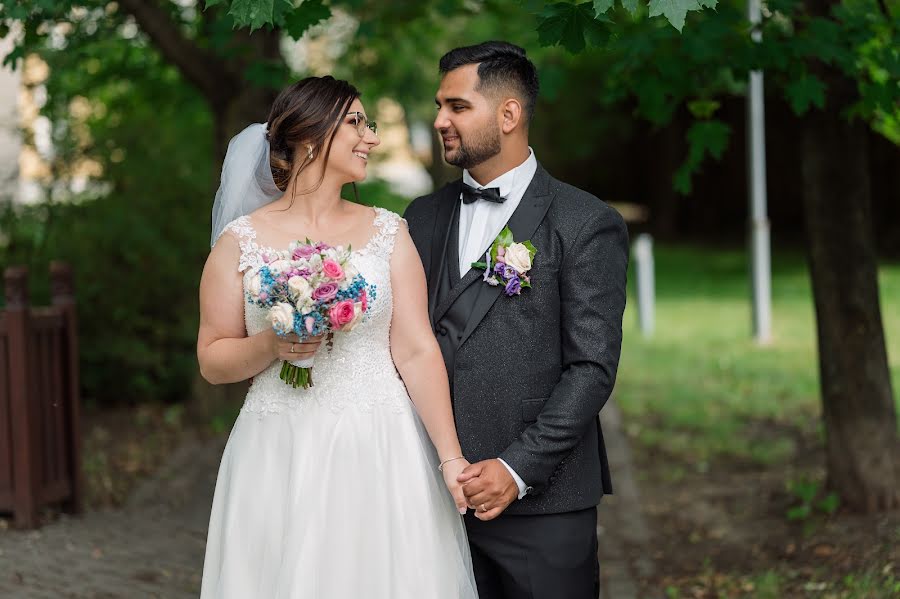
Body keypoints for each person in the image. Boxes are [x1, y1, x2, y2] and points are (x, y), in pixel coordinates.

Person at [197, 75, 477, 598]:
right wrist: (270, 346)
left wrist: (450, 457)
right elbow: (212, 359)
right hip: (278, 449)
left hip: (379, 445)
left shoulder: (389, 232)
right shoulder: (239, 243)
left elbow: (416, 349)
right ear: (310, 136)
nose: (370, 137)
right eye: (356, 122)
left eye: (369, 124)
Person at [404, 41, 629, 599]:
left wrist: (516, 467)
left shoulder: (584, 222)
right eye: (439, 106)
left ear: (509, 115)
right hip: (434, 496)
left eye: (457, 107)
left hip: (544, 502)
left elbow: (591, 368)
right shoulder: (418, 218)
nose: (439, 121)